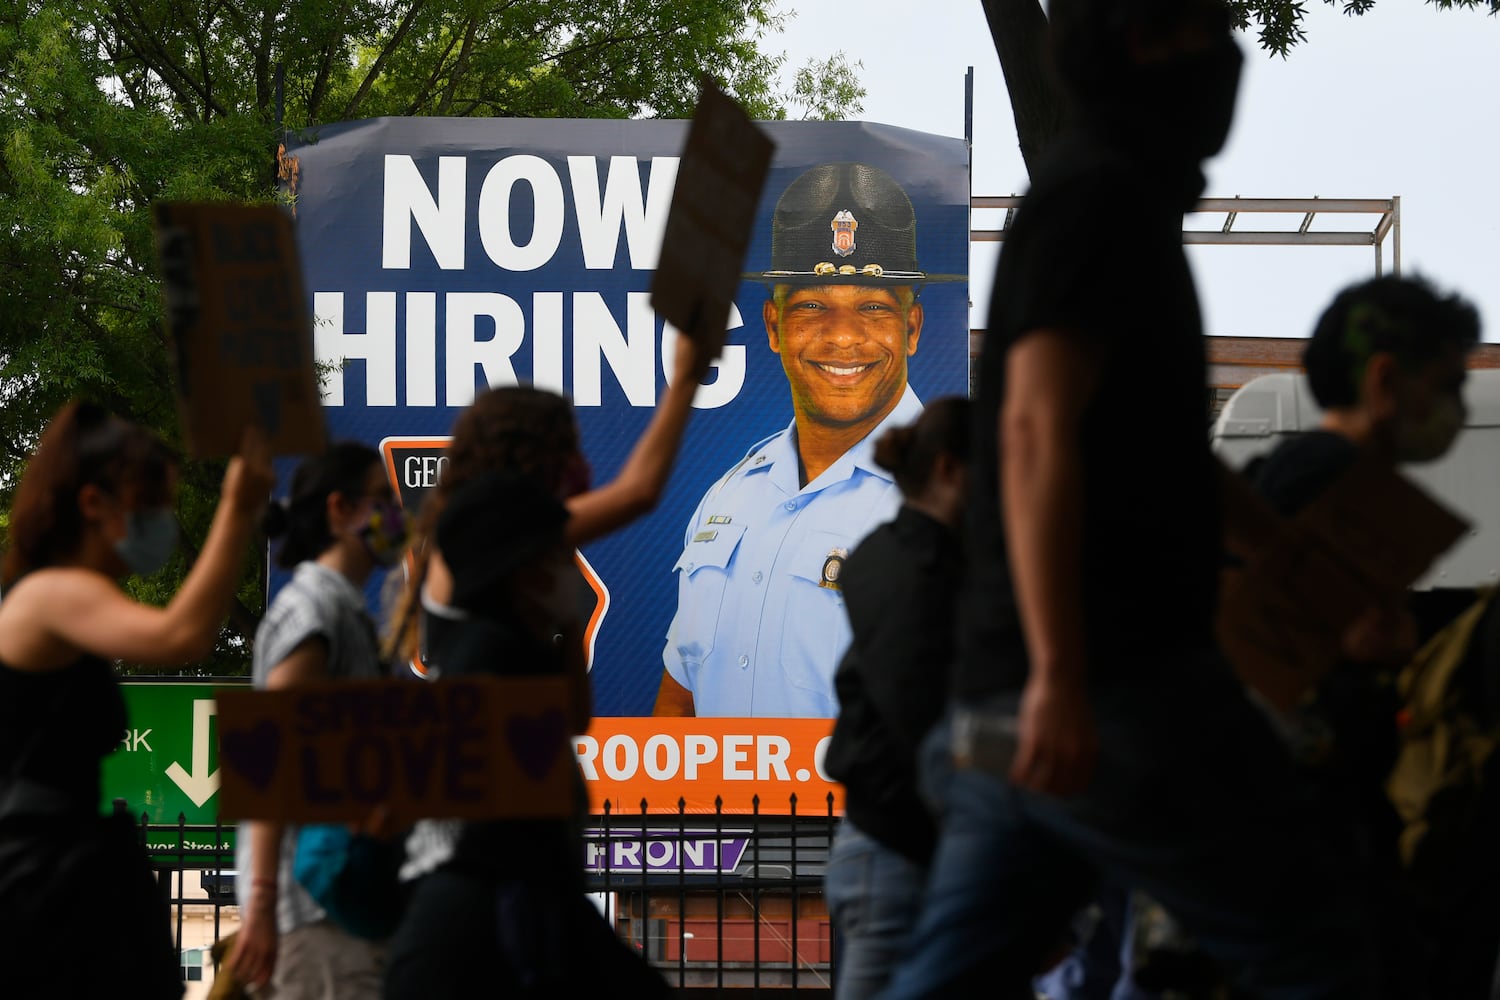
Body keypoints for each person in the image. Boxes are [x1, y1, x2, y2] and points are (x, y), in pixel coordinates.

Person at [876, 0, 1378, 996]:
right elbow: (1034, 427)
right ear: (1146, 42)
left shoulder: (1109, 204)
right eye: (1208, 26)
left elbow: (1159, 459)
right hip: (1117, 693)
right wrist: (1061, 676)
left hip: (1016, 713)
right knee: (1326, 944)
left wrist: (1301, 569)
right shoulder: (1099, 202)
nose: (1231, 53)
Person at [382, 333, 709, 998]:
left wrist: (563, 621)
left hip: (533, 873)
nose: (579, 465)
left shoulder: (516, 573)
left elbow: (574, 718)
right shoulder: (483, 520)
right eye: (567, 448)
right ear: (532, 454)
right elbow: (639, 493)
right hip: (482, 886)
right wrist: (684, 381)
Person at [656, 161, 960, 718]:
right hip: (716, 809)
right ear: (774, 327)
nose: (843, 336)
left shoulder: (955, 499)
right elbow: (681, 697)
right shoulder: (730, 497)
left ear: (911, 328)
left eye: (872, 307)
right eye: (812, 306)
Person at [1247, 275, 1479, 998]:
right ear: (1385, 380)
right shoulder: (1340, 483)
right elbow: (1370, 638)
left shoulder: (1280, 473)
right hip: (1321, 835)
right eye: (1446, 383)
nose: (1456, 409)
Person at [0, 401, 272, 999]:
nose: (165, 522)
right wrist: (238, 505)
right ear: (94, 504)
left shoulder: (62, 599)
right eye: (151, 506)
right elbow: (181, 636)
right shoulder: (52, 594)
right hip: (45, 888)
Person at [227, 442, 407, 999]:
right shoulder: (315, 611)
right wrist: (260, 903)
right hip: (310, 910)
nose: (394, 516)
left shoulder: (345, 610)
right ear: (339, 509)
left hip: (336, 903)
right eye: (381, 499)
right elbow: (269, 753)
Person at [820, 397, 969, 1000]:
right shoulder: (922, 566)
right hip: (901, 847)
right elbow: (918, 711)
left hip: (888, 842)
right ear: (951, 471)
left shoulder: (885, 552)